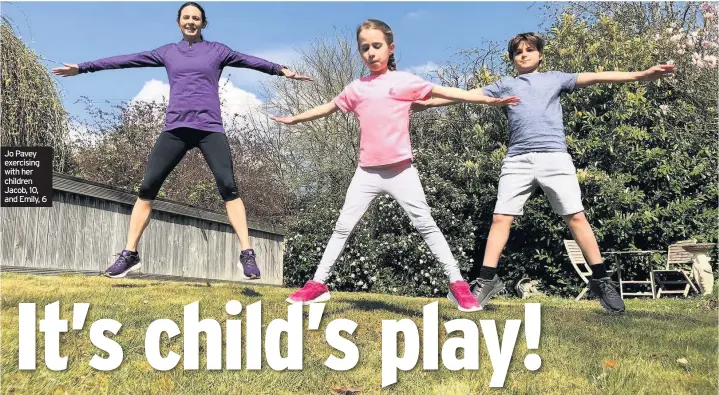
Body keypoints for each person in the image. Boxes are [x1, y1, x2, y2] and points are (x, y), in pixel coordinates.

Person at [413, 32, 676, 313]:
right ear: (512, 58)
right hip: (517, 161)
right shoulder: (505, 84)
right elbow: (466, 96)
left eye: (529, 50)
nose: (523, 54)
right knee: (501, 217)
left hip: (554, 159)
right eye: (518, 52)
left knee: (575, 217)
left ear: (540, 55)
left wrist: (640, 75)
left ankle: (601, 280)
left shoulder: (556, 79)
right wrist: (426, 103)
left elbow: (597, 77)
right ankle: (486, 281)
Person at [271, 19, 520, 311]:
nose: (371, 53)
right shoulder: (356, 89)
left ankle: (458, 285)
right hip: (366, 173)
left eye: (377, 46)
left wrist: (486, 100)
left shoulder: (405, 82)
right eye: (365, 48)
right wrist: (295, 118)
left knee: (427, 225)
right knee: (342, 227)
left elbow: (446, 92)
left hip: (401, 172)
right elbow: (327, 107)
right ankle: (318, 284)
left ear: (391, 48)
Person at [52, 2, 311, 280]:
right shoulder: (167, 52)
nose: (191, 21)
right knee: (148, 186)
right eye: (186, 17)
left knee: (228, 186)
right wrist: (83, 68)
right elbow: (125, 60)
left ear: (203, 23)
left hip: (209, 129)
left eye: (196, 18)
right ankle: (129, 254)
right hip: (175, 129)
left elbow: (249, 60)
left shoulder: (217, 51)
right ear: (179, 22)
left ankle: (247, 253)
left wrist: (280, 69)